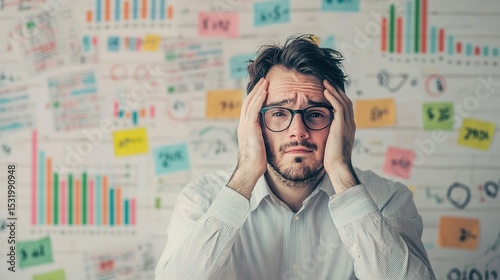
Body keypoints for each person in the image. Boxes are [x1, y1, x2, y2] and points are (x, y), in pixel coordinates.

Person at [155, 34, 435, 280]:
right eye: (279, 113)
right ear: (254, 121)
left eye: (315, 114)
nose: (298, 132)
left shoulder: (388, 200)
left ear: (342, 123)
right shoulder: (201, 200)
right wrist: (244, 175)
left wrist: (340, 170)